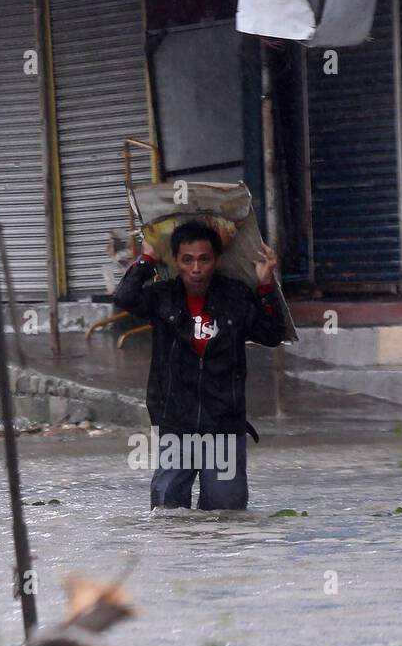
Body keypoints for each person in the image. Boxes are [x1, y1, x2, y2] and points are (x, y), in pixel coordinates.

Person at [113, 218, 285, 510]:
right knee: (167, 511)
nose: (196, 269)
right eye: (187, 260)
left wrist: (266, 283)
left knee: (226, 512)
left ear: (216, 260)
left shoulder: (236, 296)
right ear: (176, 262)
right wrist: (147, 258)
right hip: (174, 423)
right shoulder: (162, 296)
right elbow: (124, 297)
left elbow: (271, 334)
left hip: (224, 426)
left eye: (204, 259)